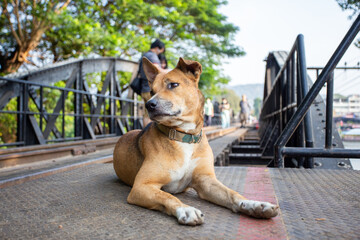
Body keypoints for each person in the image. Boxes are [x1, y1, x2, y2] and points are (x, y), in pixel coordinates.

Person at [138, 39, 166, 126]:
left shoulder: (145, 55)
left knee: (147, 114)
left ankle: (146, 132)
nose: (160, 53)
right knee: (157, 112)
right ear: (158, 48)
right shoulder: (152, 56)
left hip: (144, 88)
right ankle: (151, 134)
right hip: (151, 89)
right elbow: (158, 71)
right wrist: (173, 72)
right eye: (161, 51)